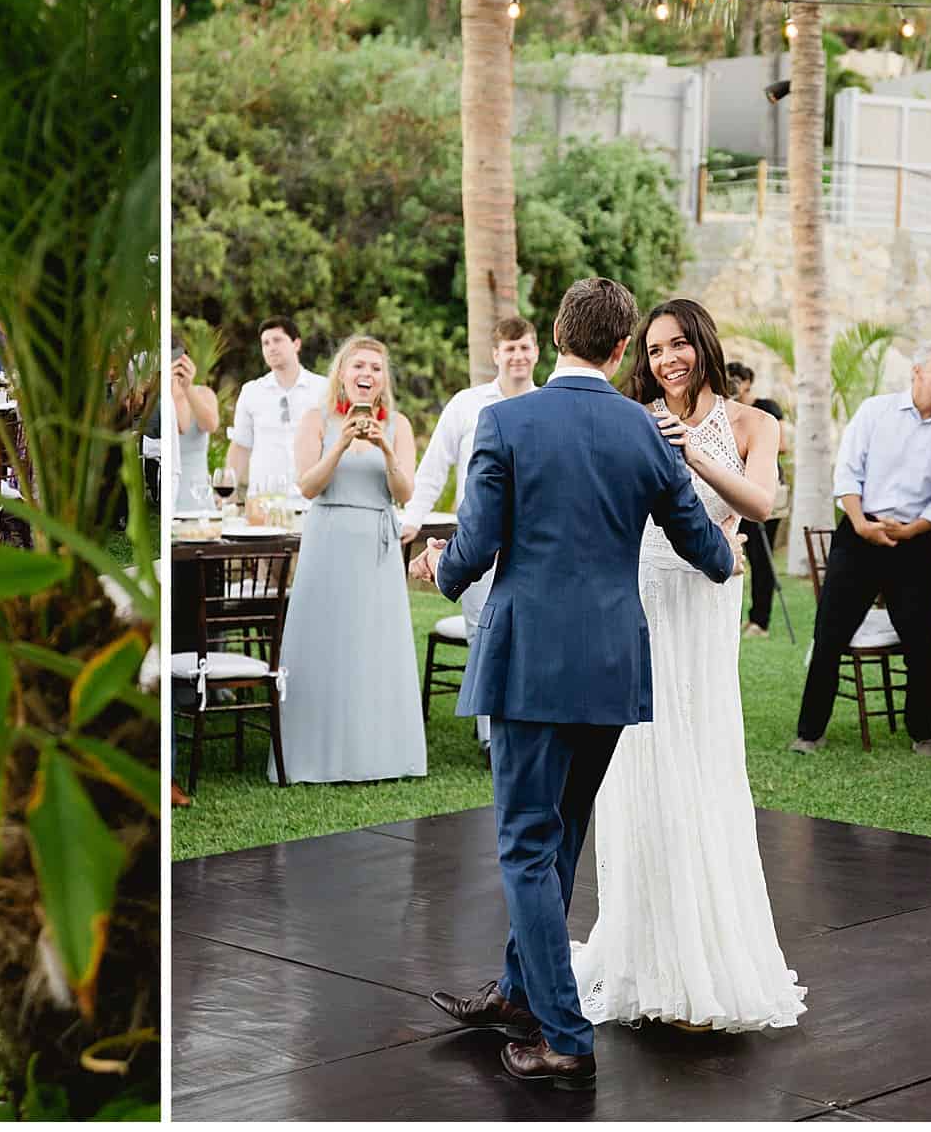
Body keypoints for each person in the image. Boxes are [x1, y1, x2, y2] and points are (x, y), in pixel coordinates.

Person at [413, 277, 734, 1093]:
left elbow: (476, 542)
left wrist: (437, 571)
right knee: (557, 839)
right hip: (612, 665)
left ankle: (564, 1034)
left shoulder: (507, 420)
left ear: (557, 334)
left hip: (528, 662)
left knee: (526, 842)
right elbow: (711, 551)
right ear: (622, 348)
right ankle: (522, 993)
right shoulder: (646, 433)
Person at [570, 298, 803, 1034]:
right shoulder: (632, 415)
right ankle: (645, 957)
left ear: (703, 344)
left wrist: (692, 453)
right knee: (640, 764)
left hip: (702, 601)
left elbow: (761, 503)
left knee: (697, 760)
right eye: (656, 348)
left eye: (680, 345)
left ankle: (705, 961)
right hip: (638, 593)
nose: (669, 359)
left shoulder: (751, 423)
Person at [791, 341, 931, 755]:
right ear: (917, 372)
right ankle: (809, 733)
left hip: (913, 541)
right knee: (829, 636)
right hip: (858, 534)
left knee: (921, 643)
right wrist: (860, 524)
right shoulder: (875, 411)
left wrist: (910, 530)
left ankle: (924, 733)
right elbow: (848, 471)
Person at [281, 335, 427, 784]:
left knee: (373, 646)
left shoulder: (398, 425)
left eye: (375, 368)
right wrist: (339, 446)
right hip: (327, 537)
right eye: (358, 366)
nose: (366, 374)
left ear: (384, 380)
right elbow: (307, 487)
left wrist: (384, 448)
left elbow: (404, 494)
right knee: (326, 642)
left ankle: (379, 755)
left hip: (376, 544)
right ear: (342, 374)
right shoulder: (316, 420)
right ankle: (314, 757)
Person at [404, 314, 541, 757]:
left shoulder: (547, 403)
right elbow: (433, 467)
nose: (518, 356)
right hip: (478, 538)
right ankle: (490, 735)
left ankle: (528, 724)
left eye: (525, 347)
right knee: (484, 632)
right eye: (510, 349)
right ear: (495, 354)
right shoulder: (467, 404)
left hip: (534, 541)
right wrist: (413, 519)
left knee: (530, 633)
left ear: (536, 351)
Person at [226, 316, 326, 495]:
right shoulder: (251, 391)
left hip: (312, 501)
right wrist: (227, 493)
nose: (271, 347)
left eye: (277, 340)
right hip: (263, 500)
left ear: (296, 344)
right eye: (265, 343)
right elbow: (240, 446)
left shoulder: (323, 389)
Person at [726, 361, 785, 639]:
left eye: (739, 380)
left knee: (762, 559)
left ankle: (760, 621)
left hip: (765, 489)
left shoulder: (766, 408)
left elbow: (783, 444)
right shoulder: (728, 410)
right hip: (738, 491)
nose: (735, 384)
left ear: (748, 382)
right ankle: (739, 617)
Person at [170, 339, 220, 512]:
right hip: (170, 492)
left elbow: (210, 425)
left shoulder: (203, 393)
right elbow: (178, 426)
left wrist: (187, 387)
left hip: (197, 497)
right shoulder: (160, 398)